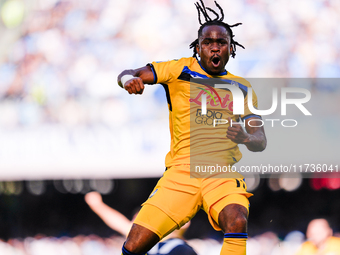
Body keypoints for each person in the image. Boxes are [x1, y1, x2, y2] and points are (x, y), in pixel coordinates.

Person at [117, 1, 267, 254]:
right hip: (180, 174)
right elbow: (131, 73)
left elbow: (261, 139)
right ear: (198, 47)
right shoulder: (178, 70)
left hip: (220, 174)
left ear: (231, 48)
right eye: (208, 42)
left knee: (237, 219)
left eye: (222, 42)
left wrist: (246, 137)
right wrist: (128, 80)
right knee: (133, 247)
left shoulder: (242, 88)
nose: (215, 47)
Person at [85, 191, 197, 255]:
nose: (135, 222)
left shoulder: (171, 234)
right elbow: (119, 222)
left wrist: (97, 205)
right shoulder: (142, 237)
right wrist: (97, 205)